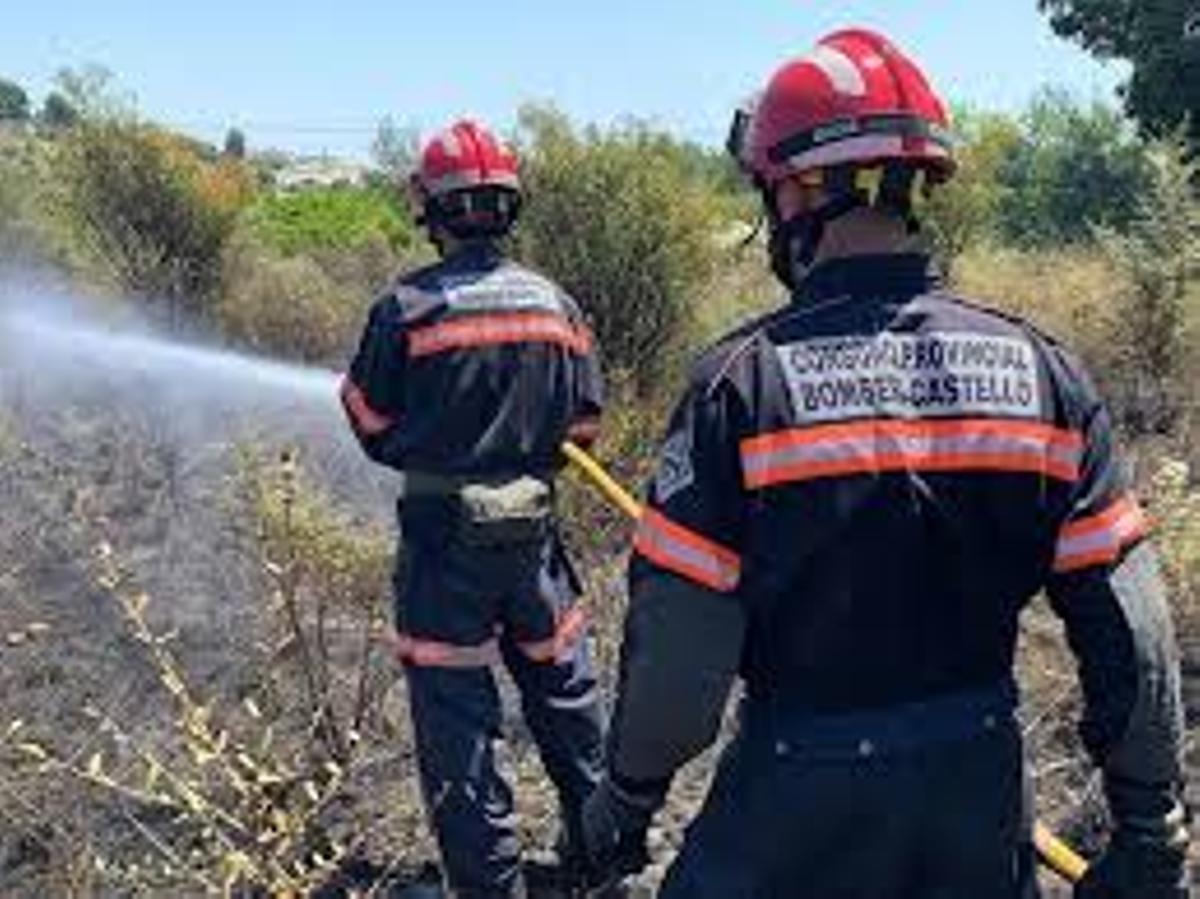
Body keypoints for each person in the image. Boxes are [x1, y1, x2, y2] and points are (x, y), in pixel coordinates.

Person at [579, 28, 1189, 899]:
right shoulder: (1046, 373)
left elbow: (680, 670)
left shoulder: (740, 387)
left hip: (796, 795)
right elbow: (1134, 632)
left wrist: (624, 805)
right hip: (978, 796)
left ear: (799, 193)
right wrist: (1149, 829)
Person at [340, 119, 606, 898]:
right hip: (536, 547)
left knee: (458, 720)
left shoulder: (406, 309)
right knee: (566, 695)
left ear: (433, 209)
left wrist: (438, 443)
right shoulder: (557, 304)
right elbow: (584, 426)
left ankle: (490, 886)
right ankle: (603, 856)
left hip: (441, 551)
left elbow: (367, 421)